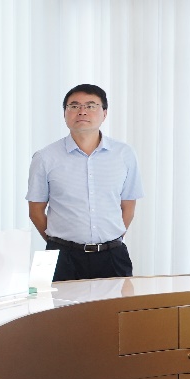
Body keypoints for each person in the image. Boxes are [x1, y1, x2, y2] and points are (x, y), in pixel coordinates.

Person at [27, 84, 142, 281]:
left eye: (90, 106)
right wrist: (60, 243)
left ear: (104, 113)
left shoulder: (124, 154)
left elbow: (128, 206)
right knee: (52, 302)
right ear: (65, 114)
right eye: (74, 106)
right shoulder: (44, 157)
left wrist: (109, 241)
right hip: (60, 257)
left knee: (117, 302)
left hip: (113, 255)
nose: (82, 111)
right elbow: (35, 211)